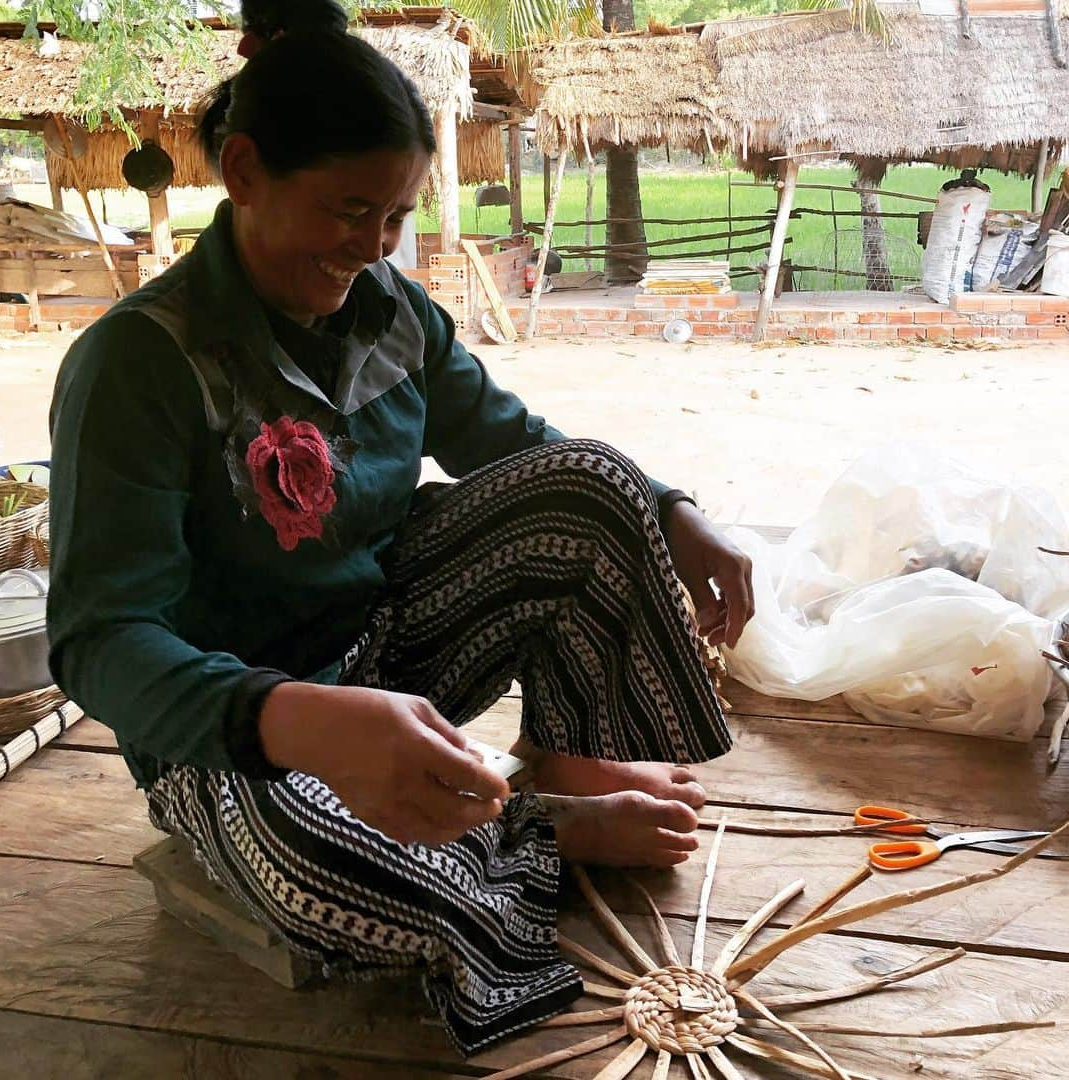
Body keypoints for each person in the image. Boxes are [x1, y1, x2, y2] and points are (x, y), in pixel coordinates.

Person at [47, 26, 753, 1056]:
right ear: (243, 172)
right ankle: (537, 827)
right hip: (239, 734)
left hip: (386, 650)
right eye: (348, 210)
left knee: (591, 485)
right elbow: (101, 639)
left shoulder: (392, 312)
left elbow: (518, 447)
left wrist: (674, 509)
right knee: (320, 864)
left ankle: (554, 769)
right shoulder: (139, 366)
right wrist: (300, 722)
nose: (372, 246)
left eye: (393, 216)